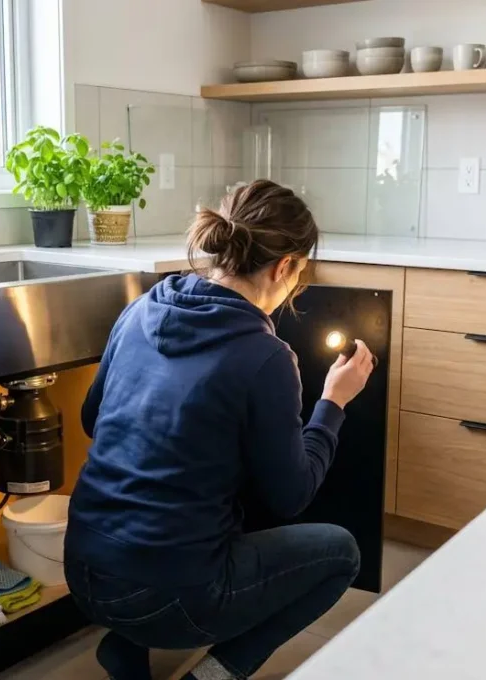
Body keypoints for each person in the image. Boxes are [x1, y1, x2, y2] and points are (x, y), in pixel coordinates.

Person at [65, 179, 376, 680]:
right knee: (340, 553)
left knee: (192, 507)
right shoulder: (266, 356)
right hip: (166, 595)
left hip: (82, 572)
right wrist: (333, 403)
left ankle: (126, 648)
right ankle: (207, 676)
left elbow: (90, 420)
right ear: (284, 267)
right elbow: (291, 496)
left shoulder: (141, 309)